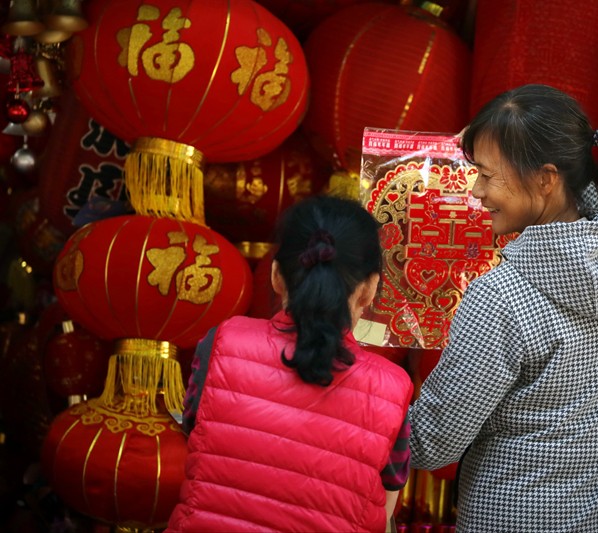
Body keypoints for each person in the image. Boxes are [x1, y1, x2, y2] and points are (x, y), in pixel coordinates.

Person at [408, 84, 598, 532]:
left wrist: (386, 385)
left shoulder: (501, 297)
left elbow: (430, 445)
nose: (476, 192)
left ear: (545, 178)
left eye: (486, 174)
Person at [167, 195, 414, 533]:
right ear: (369, 290)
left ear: (276, 275)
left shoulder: (222, 342)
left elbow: (196, 431)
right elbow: (385, 506)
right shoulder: (392, 388)